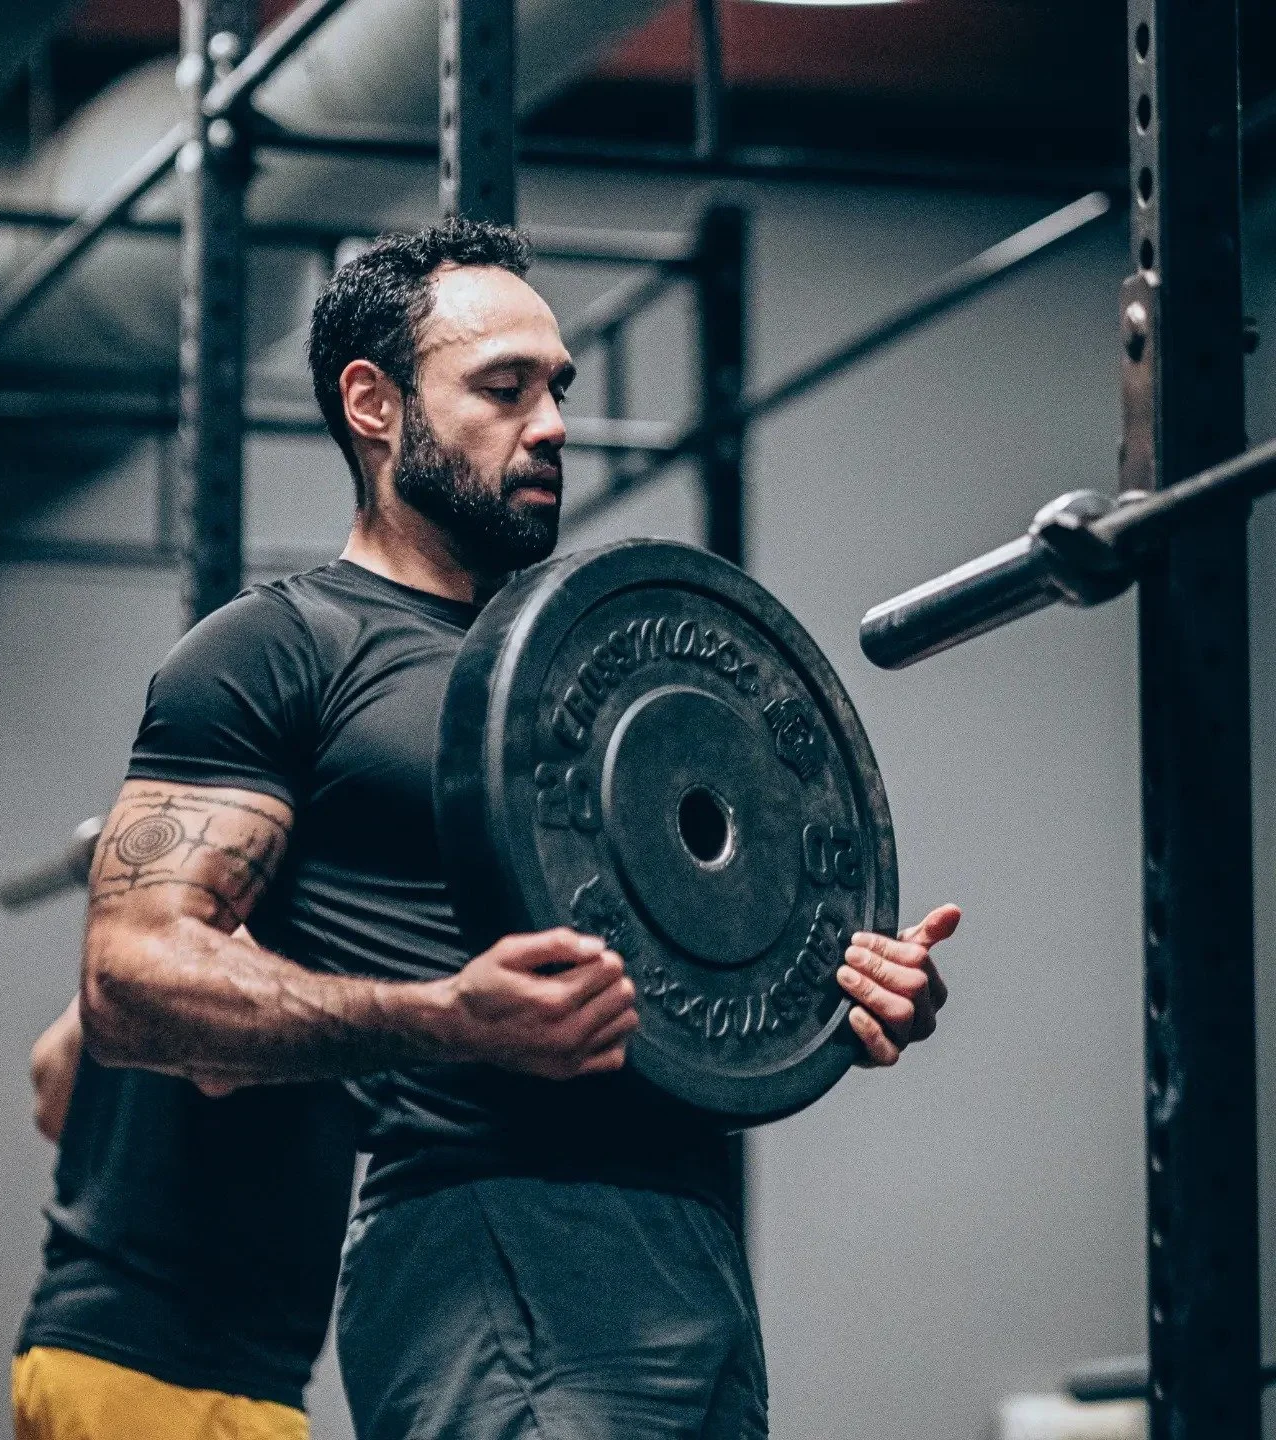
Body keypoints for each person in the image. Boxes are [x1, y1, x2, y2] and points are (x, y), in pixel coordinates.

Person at [75, 217, 959, 1439]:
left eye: (559, 388)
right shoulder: (279, 651)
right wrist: (444, 1021)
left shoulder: (597, 657)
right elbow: (129, 981)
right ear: (374, 404)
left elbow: (710, 939)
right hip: (486, 1233)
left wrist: (845, 984)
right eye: (504, 388)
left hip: (691, 1239)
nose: (552, 423)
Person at [13, 925, 356, 1439]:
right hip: (182, 1377)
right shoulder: (290, 909)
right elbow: (217, 1070)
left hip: (69, 1352)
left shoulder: (153, 922)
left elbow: (52, 1095)